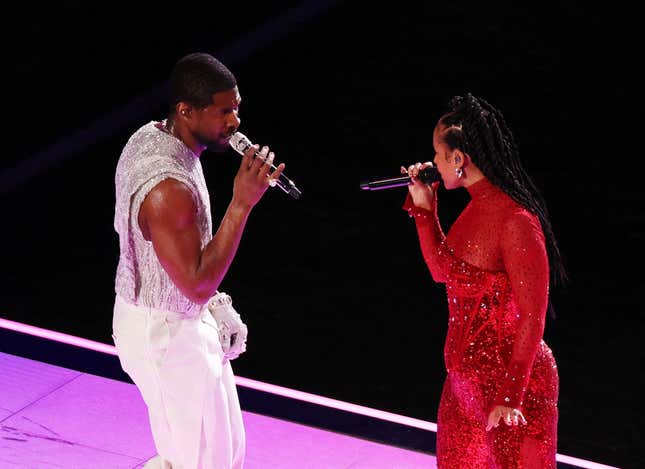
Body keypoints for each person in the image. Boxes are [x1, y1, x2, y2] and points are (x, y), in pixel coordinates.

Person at [112, 52, 284, 469]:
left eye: (237, 108)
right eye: (223, 112)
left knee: (223, 453)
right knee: (202, 462)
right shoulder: (168, 188)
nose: (235, 122)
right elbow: (195, 283)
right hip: (164, 333)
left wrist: (213, 307)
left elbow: (190, 278)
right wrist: (241, 203)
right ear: (186, 111)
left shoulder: (158, 135)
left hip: (180, 318)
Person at [401, 93, 565, 468]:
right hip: (463, 386)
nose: (434, 162)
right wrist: (425, 210)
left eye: (439, 154)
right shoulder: (476, 208)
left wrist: (510, 397)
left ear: (459, 159)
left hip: (513, 391)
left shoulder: (516, 221)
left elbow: (533, 314)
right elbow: (442, 271)